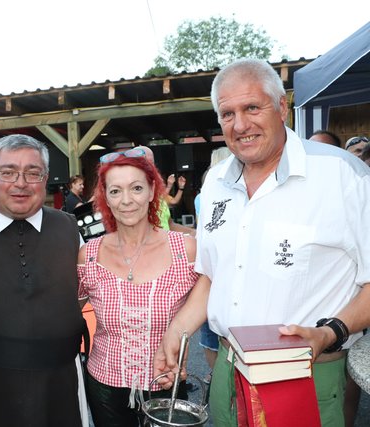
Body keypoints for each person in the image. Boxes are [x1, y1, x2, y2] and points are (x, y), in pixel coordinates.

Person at [153, 59, 370, 427]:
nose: (240, 125)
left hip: (304, 372)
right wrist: (176, 332)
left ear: (282, 107)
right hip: (226, 368)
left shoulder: (342, 175)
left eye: (252, 107)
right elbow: (211, 277)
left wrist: (329, 332)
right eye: (227, 113)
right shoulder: (216, 181)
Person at [0, 134, 86, 427]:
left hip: (63, 379)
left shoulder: (68, 228)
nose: (21, 183)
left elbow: (88, 290)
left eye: (33, 173)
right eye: (8, 172)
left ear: (45, 179)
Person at [77, 147, 198, 426]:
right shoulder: (89, 255)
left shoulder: (185, 251)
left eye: (136, 188)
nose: (126, 201)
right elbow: (69, 311)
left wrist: (182, 341)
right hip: (105, 385)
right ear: (105, 196)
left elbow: (210, 295)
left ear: (153, 189)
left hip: (165, 382)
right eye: (115, 191)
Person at [193, 146, 231, 386]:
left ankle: (217, 376)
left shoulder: (204, 192)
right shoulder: (209, 192)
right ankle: (221, 378)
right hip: (214, 272)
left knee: (210, 334)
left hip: (213, 271)